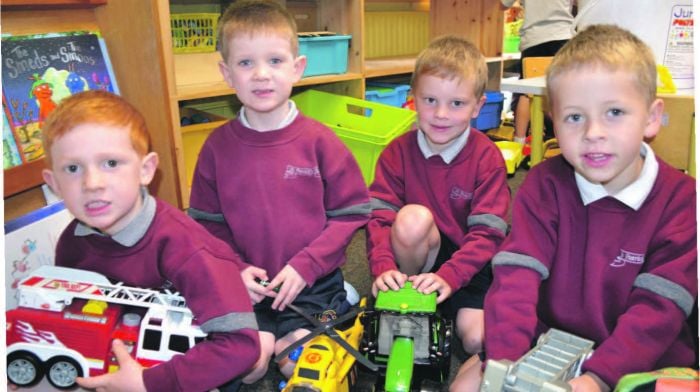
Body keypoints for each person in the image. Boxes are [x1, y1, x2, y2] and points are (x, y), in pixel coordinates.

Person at [475, 25, 697, 391]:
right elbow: (515, 279)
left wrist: (597, 378)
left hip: (645, 364)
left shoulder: (683, 200)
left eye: (614, 112)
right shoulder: (544, 183)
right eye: (575, 117)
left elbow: (657, 311)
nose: (593, 132)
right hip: (547, 347)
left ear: (652, 117)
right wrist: (505, 366)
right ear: (553, 122)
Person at [187, 0, 371, 384]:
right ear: (226, 73)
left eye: (274, 61)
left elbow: (352, 212)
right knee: (248, 368)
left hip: (310, 285)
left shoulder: (321, 142)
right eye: (245, 63)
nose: (260, 75)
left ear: (297, 68)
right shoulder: (216, 147)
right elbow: (206, 224)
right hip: (248, 289)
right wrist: (234, 269)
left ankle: (340, 300)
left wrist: (306, 266)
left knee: (300, 364)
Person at [39, 90, 260, 392]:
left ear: (145, 170)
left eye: (111, 163)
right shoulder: (71, 242)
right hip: (121, 354)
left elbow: (239, 345)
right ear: (55, 185)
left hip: (188, 368)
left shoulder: (188, 249)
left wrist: (148, 383)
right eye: (73, 169)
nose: (92, 184)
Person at [365, 35, 511, 392]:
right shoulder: (396, 151)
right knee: (412, 217)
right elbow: (379, 218)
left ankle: (443, 312)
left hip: (470, 264)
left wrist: (451, 277)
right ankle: (407, 298)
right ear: (413, 97)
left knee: (477, 339)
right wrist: (383, 267)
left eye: (457, 103)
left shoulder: (486, 157)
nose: (442, 114)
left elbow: (488, 234)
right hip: (419, 255)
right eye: (430, 100)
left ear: (478, 106)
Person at [500, 0, 574, 145]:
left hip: (534, 39)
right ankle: (567, 141)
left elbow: (503, 4)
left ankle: (518, 143)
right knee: (564, 93)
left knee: (526, 94)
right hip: (563, 37)